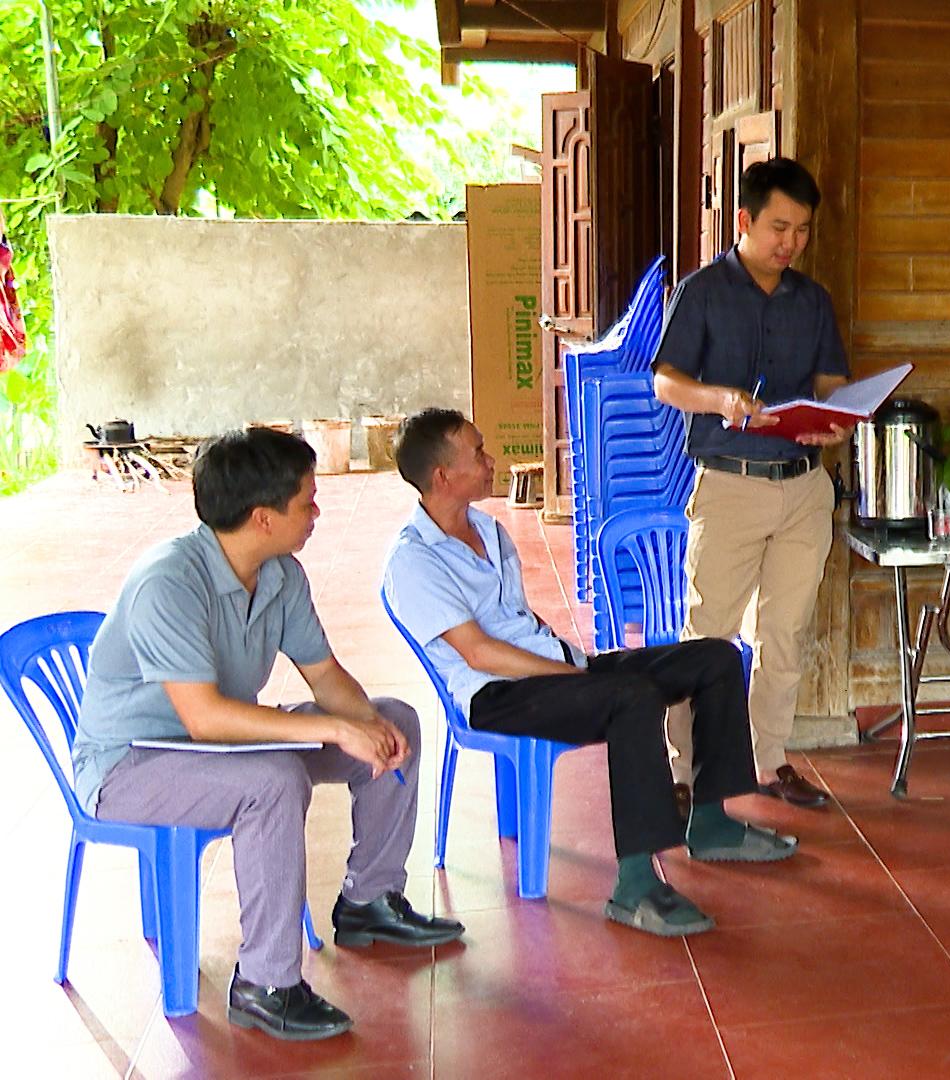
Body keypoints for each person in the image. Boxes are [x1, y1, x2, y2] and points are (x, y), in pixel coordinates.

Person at [70, 428, 460, 1042]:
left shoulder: (280, 574)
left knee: (395, 719)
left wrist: (365, 724)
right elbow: (203, 718)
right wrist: (337, 728)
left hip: (221, 745)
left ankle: (370, 901)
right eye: (307, 501)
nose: (316, 512)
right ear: (263, 518)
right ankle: (266, 983)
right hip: (131, 766)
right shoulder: (168, 582)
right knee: (272, 781)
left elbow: (324, 675)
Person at [383, 409, 791, 940]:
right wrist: (568, 675)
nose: (491, 461)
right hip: (497, 695)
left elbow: (518, 620)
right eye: (478, 453)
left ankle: (711, 822)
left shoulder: (488, 529)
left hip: (556, 669)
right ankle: (635, 884)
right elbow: (479, 653)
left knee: (714, 658)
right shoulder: (413, 560)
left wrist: (574, 667)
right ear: (442, 476)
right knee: (632, 697)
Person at [651, 156, 849, 809]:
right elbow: (666, 381)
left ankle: (770, 761)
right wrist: (720, 400)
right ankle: (681, 772)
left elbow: (831, 384)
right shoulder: (702, 292)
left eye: (802, 230)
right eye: (778, 228)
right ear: (744, 220)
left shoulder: (813, 301)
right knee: (708, 633)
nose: (790, 243)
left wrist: (835, 421)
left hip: (803, 488)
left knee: (783, 633)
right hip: (730, 485)